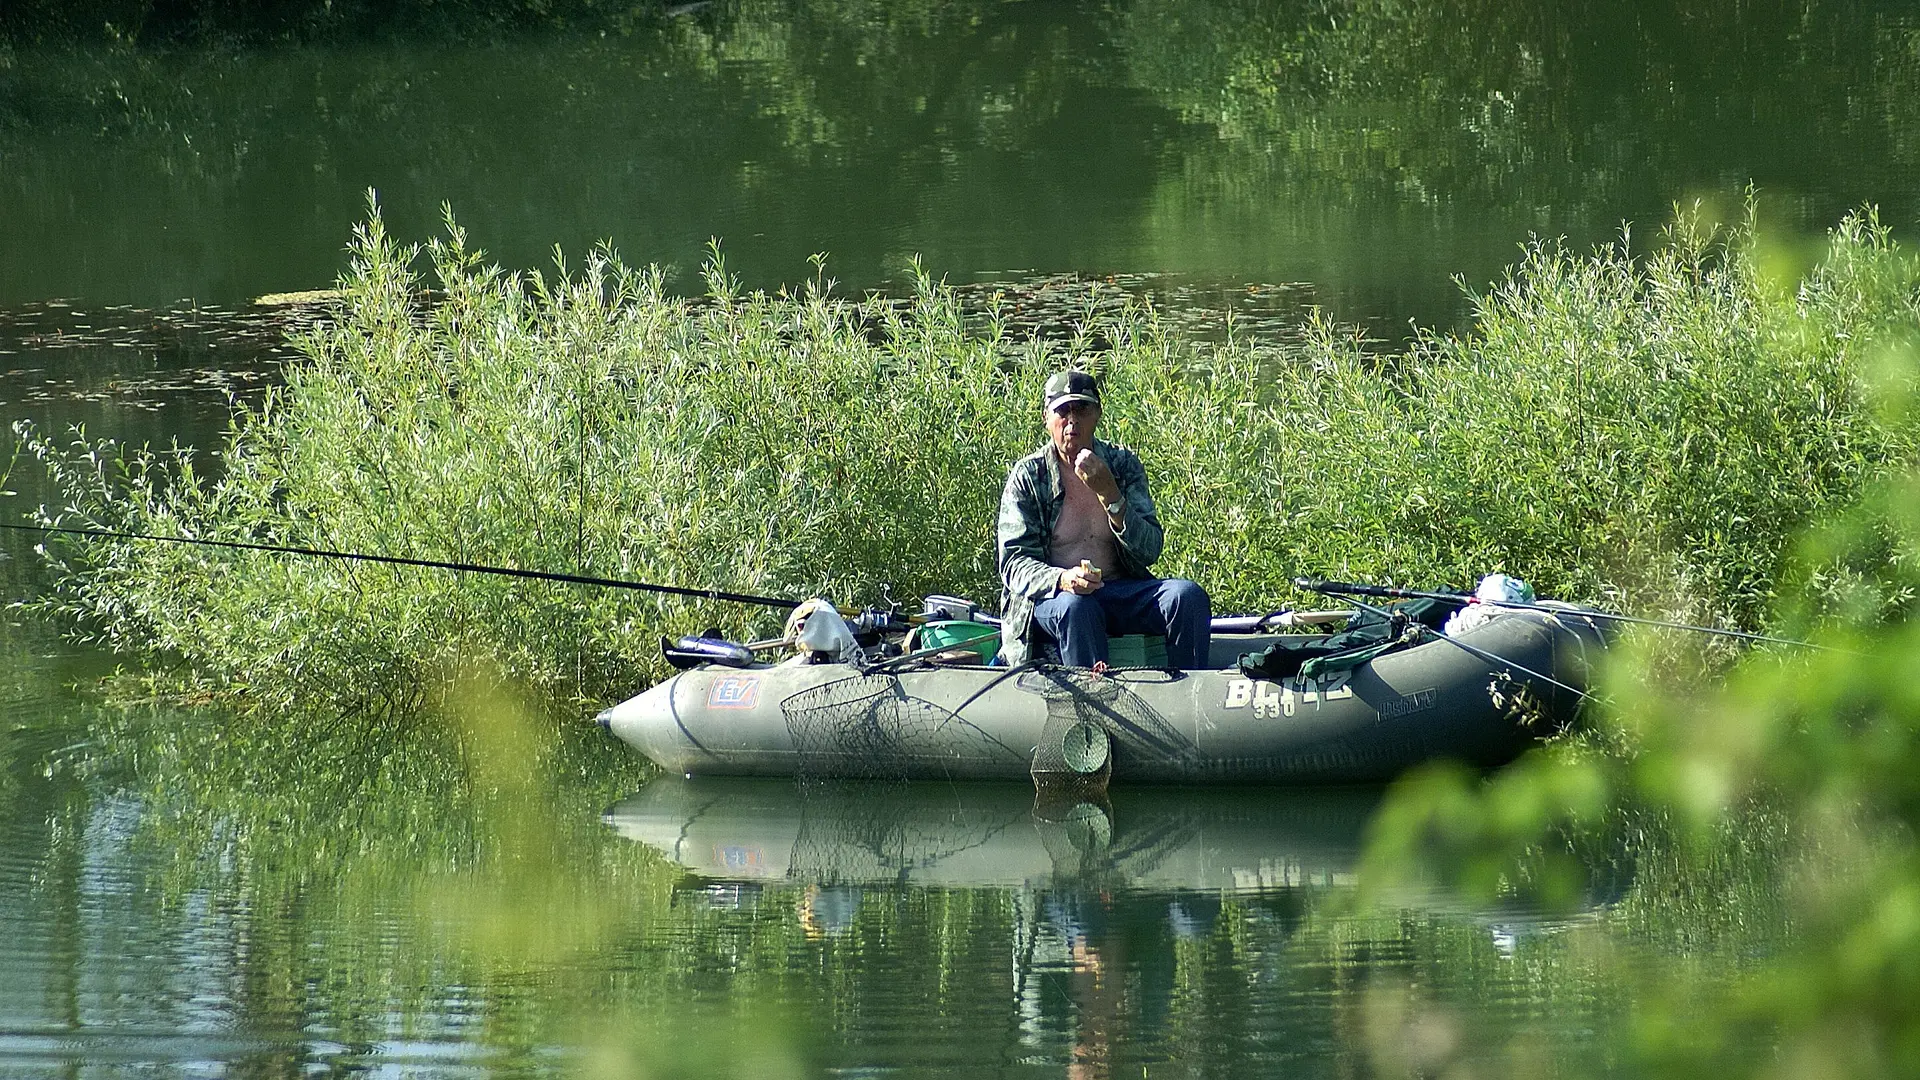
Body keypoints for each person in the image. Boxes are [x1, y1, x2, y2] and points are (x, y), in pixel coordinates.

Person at [996, 370, 1212, 669]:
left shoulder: (1122, 465)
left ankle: (1188, 694)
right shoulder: (1029, 476)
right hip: (1054, 601)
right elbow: (1014, 564)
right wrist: (1062, 578)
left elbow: (1150, 549)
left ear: (1097, 414)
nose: (1072, 422)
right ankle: (1091, 708)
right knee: (1077, 606)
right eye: (1063, 411)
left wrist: (1111, 495)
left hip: (1120, 590)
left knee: (1187, 596)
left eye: (1082, 409)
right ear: (1047, 418)